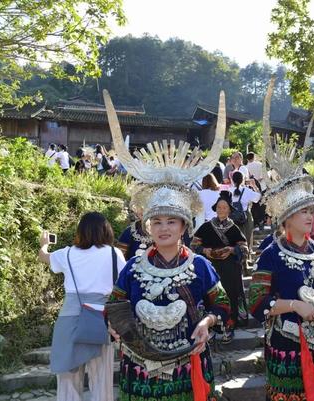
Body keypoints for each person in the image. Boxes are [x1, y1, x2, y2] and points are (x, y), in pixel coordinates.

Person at [104, 89, 230, 401]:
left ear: (184, 226)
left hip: (190, 363)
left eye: (171, 222)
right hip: (140, 367)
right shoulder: (134, 267)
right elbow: (115, 306)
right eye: (156, 222)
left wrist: (206, 321)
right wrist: (115, 327)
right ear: (147, 226)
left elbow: (223, 307)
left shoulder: (200, 265)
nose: (163, 229)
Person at [247, 140, 314, 401]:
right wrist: (294, 305)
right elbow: (257, 302)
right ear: (287, 217)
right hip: (288, 342)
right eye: (302, 211)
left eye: (311, 210)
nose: (310, 216)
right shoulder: (271, 254)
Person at [38, 212, 126, 401]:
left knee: (68, 380)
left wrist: (44, 243)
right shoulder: (113, 253)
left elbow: (43, 257)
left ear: (81, 231)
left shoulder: (67, 253)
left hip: (69, 319)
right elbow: (124, 282)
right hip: (101, 320)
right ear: (106, 231)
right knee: (102, 381)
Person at [192, 191, 249, 340]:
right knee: (211, 295)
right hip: (210, 267)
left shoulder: (234, 228)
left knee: (230, 293)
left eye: (224, 208)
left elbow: (244, 248)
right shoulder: (206, 227)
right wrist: (205, 250)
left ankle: (229, 323)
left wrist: (230, 250)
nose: (221, 210)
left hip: (230, 268)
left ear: (229, 210)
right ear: (215, 209)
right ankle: (211, 324)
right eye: (219, 207)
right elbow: (193, 245)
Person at [229, 171, 261, 249]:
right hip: (245, 217)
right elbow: (258, 198)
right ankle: (246, 255)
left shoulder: (229, 190)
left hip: (231, 218)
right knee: (246, 238)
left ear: (232, 180)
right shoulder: (246, 191)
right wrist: (254, 186)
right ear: (242, 179)